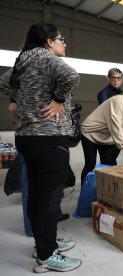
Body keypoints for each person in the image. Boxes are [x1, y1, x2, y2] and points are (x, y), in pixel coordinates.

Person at [0, 23, 82, 272]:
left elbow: (3, 84)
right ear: (49, 42)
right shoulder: (46, 59)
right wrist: (58, 101)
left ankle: (43, 243)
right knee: (48, 199)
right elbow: (71, 77)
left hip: (26, 138)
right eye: (61, 39)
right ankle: (46, 257)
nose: (64, 43)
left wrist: (16, 101)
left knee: (37, 195)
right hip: (48, 138)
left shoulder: (22, 61)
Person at [80, 83, 123, 184]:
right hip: (91, 134)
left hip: (108, 137)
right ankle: (84, 194)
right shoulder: (118, 101)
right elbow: (115, 126)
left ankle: (107, 193)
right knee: (90, 164)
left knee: (109, 165)